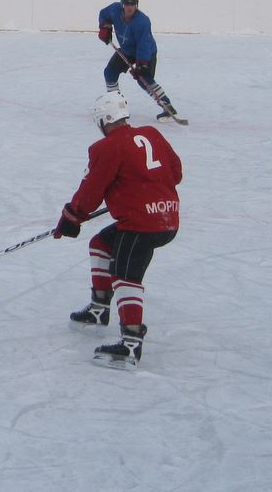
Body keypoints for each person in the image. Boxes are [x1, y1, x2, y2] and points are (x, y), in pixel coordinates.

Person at [54, 92, 181, 369]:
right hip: (167, 219)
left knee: (126, 276)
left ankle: (131, 344)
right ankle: (99, 309)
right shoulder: (152, 134)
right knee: (101, 243)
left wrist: (71, 217)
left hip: (141, 225)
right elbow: (176, 173)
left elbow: (91, 191)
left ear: (103, 120)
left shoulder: (106, 148)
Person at [97, 0, 180, 123]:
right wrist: (105, 26)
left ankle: (167, 106)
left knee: (144, 79)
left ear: (136, 6)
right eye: (127, 5)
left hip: (146, 52)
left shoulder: (142, 22)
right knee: (110, 73)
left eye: (133, 5)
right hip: (127, 50)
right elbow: (103, 14)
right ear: (122, 5)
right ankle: (116, 105)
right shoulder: (114, 9)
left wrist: (142, 64)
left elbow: (144, 44)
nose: (130, 8)